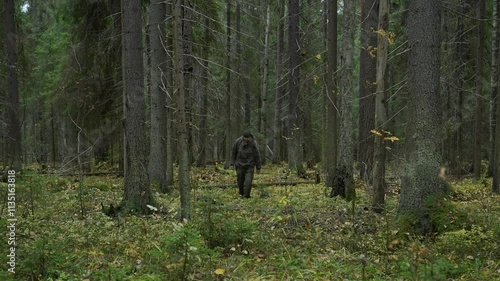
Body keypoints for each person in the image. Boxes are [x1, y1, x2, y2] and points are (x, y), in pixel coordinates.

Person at [230, 130, 262, 198]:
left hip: (249, 166)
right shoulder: (238, 142)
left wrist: (258, 167)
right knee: (240, 180)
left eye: (248, 138)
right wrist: (232, 163)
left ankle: (246, 196)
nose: (247, 139)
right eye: (245, 137)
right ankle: (241, 193)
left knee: (248, 182)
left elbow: (257, 155)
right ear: (243, 137)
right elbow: (233, 152)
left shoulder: (253, 144)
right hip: (239, 165)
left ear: (250, 137)